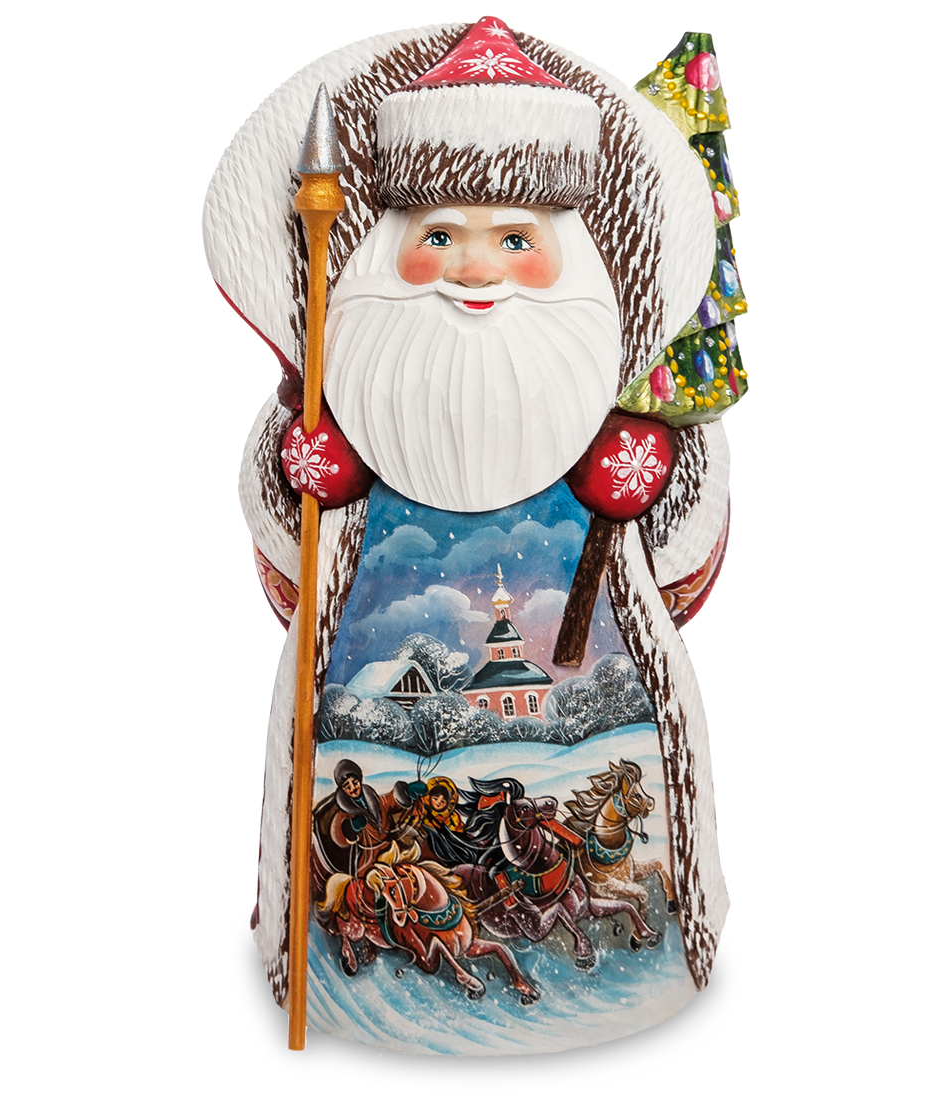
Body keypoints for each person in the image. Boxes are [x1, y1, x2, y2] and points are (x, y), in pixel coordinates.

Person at [205, 16, 745, 1052]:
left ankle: (652, 939)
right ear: (385, 251)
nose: (475, 271)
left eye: (515, 241)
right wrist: (299, 466)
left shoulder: (605, 414)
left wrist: (657, 476)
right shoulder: (360, 407)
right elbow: (287, 546)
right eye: (441, 236)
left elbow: (680, 553)